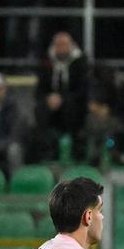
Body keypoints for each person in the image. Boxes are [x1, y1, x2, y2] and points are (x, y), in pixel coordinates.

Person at [34, 32, 88, 161]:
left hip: (73, 104)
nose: (61, 48)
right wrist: (49, 98)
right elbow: (39, 90)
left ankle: (75, 150)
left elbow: (82, 90)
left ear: (71, 46)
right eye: (58, 45)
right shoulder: (47, 63)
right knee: (40, 109)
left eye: (64, 45)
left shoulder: (81, 63)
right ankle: (45, 152)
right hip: (51, 104)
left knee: (71, 107)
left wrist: (62, 98)